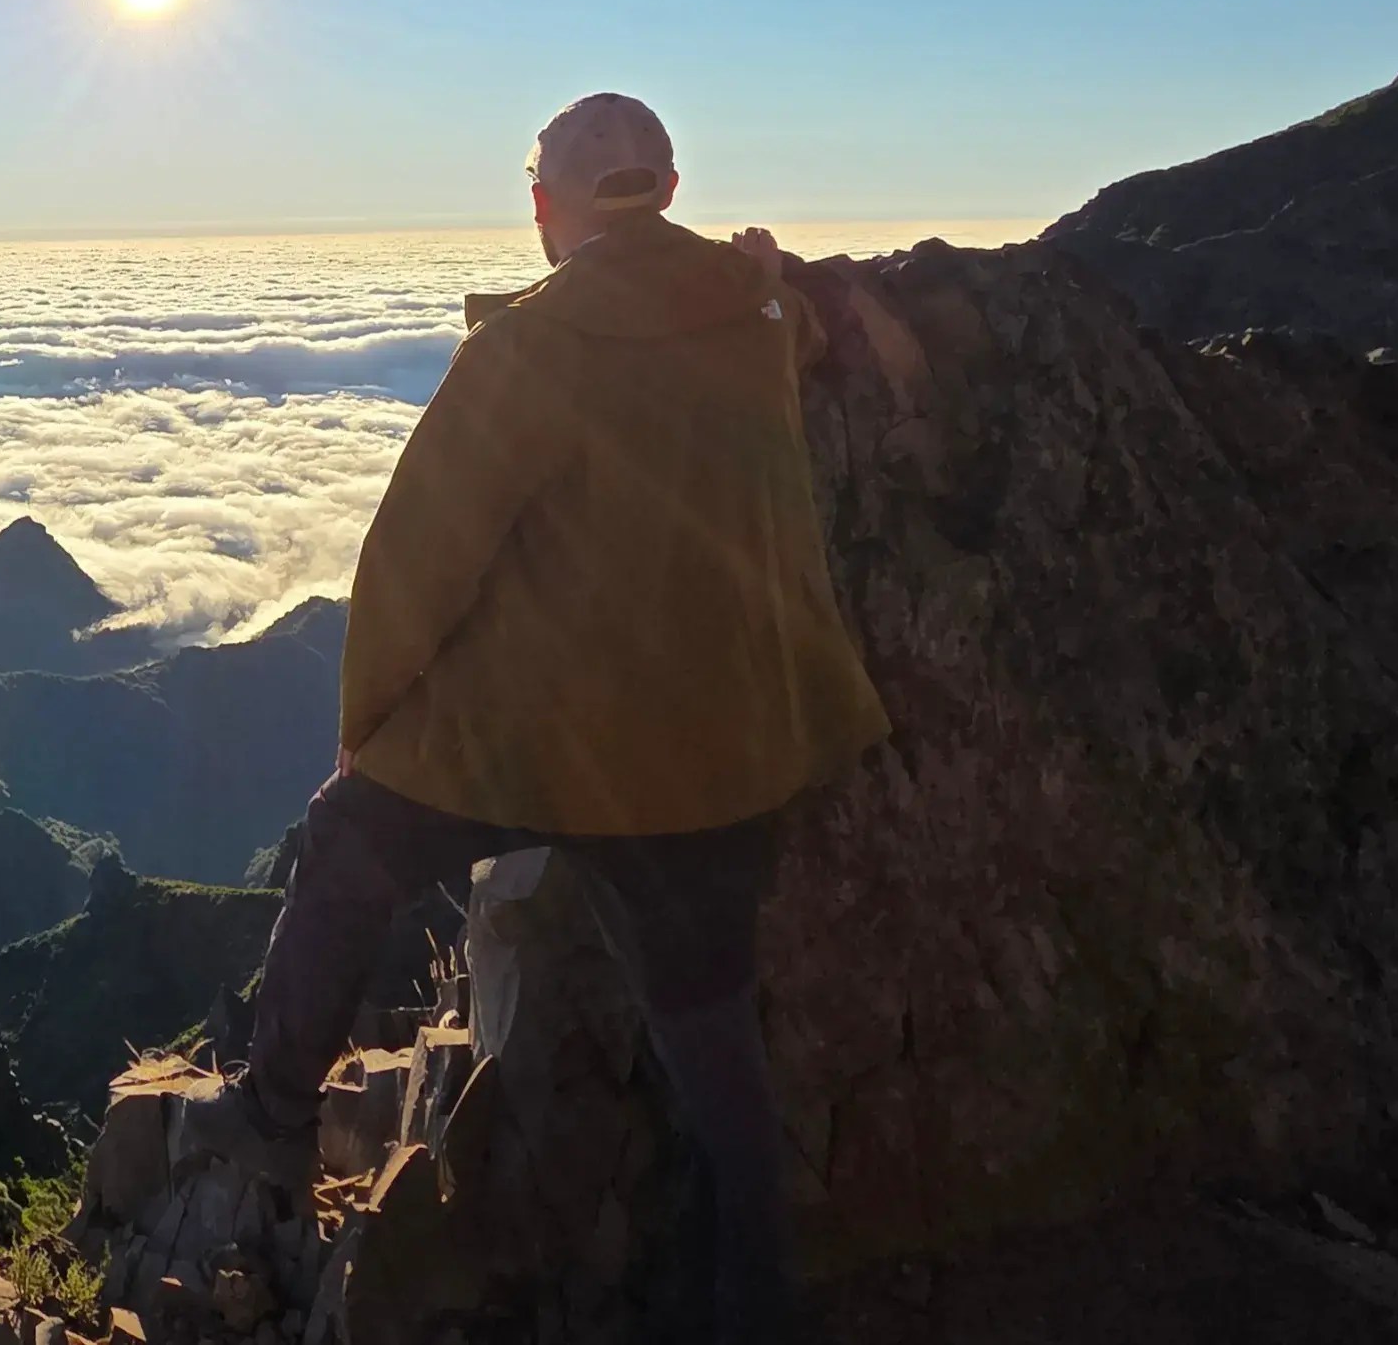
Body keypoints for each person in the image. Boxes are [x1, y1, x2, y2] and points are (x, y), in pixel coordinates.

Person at [185, 93, 890, 1343]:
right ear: (668, 186)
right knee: (723, 1071)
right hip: (731, 750)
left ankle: (276, 1110)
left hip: (553, 739)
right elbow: (798, 335)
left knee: (349, 839)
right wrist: (770, 274)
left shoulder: (532, 341)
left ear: (544, 206)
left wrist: (370, 721)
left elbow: (417, 561)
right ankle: (757, 1311)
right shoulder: (756, 311)